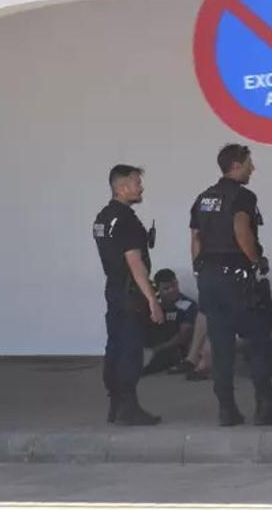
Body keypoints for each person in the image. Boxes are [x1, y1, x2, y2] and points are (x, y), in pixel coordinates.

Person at [190, 144, 272, 427]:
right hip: (235, 280)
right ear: (236, 165)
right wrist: (255, 261)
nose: (253, 168)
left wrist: (201, 272)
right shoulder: (243, 196)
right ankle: (266, 406)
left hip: (208, 278)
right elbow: (241, 230)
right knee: (262, 339)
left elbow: (197, 240)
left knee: (222, 345)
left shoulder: (203, 198)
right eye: (250, 163)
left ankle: (227, 410)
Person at [93, 164, 164, 425]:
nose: (141, 187)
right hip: (130, 293)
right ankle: (129, 408)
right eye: (136, 182)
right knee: (130, 351)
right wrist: (152, 300)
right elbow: (136, 265)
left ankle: (116, 405)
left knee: (115, 347)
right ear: (122, 188)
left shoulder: (103, 217)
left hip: (113, 289)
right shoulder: (127, 220)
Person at [142, 269, 198, 375]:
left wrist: (155, 350)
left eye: (174, 285)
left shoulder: (188, 305)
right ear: (158, 289)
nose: (172, 290)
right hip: (154, 344)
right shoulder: (153, 305)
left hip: (176, 349)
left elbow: (183, 336)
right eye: (166, 289)